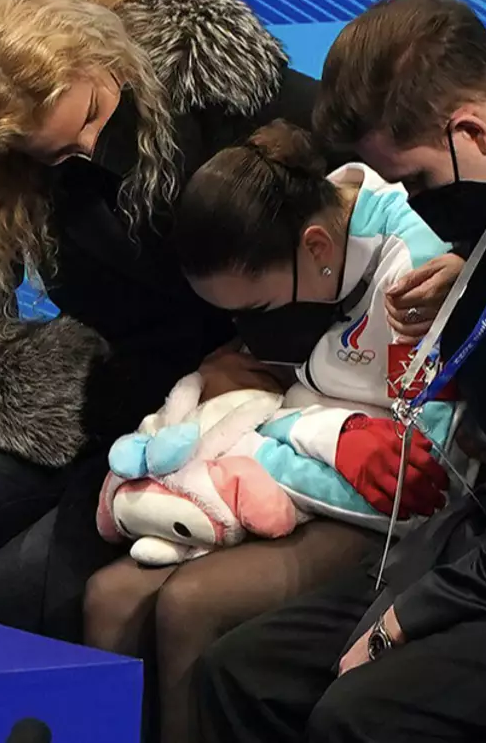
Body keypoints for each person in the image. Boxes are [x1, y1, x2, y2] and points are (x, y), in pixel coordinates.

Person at [0, 0, 461, 645]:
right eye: (49, 153)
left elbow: (392, 217)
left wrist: (248, 368)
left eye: (92, 117)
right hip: (114, 406)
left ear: (105, 54)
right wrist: (125, 389)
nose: (82, 149)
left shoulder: (233, 96)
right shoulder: (2, 181)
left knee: (32, 589)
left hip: (264, 406)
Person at [193, 0, 486, 742]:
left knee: (358, 716)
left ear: (468, 131)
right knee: (239, 671)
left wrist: (416, 612)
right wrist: (468, 267)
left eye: (411, 182)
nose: (410, 204)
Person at [86, 119, 457, 743]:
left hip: (371, 517)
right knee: (109, 596)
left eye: (253, 309)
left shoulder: (414, 275)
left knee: (190, 604)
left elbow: (417, 480)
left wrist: (259, 439)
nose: (252, 325)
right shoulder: (300, 250)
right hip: (286, 477)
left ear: (315, 248)